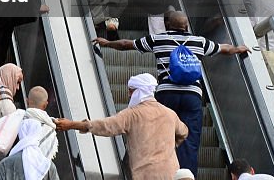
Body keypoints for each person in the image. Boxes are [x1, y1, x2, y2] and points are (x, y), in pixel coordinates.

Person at [94, 11, 249, 174]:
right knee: (189, 139)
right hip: (192, 96)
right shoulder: (199, 42)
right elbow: (223, 48)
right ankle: (186, 176)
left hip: (166, 94)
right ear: (186, 25)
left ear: (168, 24)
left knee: (160, 134)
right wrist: (238, 48)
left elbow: (127, 44)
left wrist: (106, 43)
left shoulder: (158, 38)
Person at [55, 74, 188, 179]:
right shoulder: (170, 114)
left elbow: (105, 126)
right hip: (171, 173)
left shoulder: (132, 115)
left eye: (131, 91)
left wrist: (71, 124)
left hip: (144, 174)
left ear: (138, 91)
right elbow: (184, 132)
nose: (129, 95)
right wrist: (170, 146)